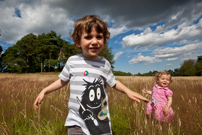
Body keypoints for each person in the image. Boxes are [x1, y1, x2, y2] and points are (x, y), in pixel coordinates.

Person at [34, 15, 149, 135]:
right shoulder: (72, 61)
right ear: (78, 42)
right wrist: (44, 91)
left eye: (99, 37)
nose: (94, 42)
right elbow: (62, 80)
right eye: (88, 37)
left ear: (104, 41)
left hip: (100, 120)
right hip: (77, 121)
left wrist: (127, 91)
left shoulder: (104, 63)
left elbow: (113, 82)